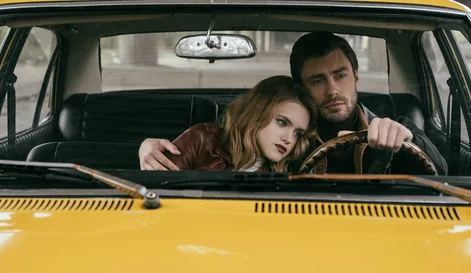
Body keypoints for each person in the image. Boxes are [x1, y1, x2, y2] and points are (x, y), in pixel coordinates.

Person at [139, 32, 448, 175]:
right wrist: (143, 149)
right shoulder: (288, 149)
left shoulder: (394, 127)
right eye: (317, 80)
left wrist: (407, 139)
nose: (332, 90)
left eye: (340, 75)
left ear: (355, 76)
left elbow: (442, 173)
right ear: (301, 88)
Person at [158, 75, 318, 172]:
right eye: (282, 122)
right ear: (257, 113)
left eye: (298, 133)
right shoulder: (203, 139)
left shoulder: (280, 176)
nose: (289, 139)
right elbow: (156, 189)